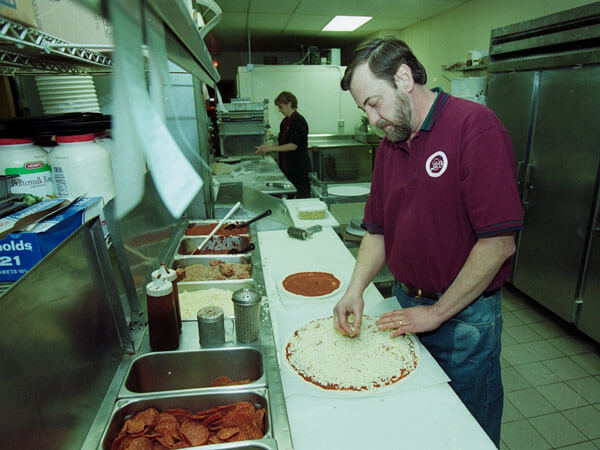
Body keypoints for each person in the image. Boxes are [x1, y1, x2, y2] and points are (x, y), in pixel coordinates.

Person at [332, 38, 523, 447]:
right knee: (417, 421)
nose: (371, 118)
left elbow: (498, 244)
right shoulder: (390, 147)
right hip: (406, 307)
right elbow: (377, 229)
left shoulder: (475, 128)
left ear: (403, 78)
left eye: (373, 102)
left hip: (463, 319)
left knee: (465, 431)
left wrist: (436, 312)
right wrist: (354, 290)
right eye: (364, 108)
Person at [255, 91, 311, 198]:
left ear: (289, 104)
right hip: (287, 169)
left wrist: (270, 148)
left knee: (301, 198)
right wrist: (265, 148)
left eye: (280, 107)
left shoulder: (299, 121)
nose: (279, 110)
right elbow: (282, 144)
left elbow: (293, 145)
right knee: (288, 197)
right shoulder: (284, 122)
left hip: (298, 169)